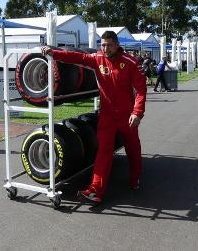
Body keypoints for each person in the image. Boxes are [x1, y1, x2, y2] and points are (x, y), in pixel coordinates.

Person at [41, 31, 146, 204]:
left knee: (133, 148)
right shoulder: (97, 58)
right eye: (103, 45)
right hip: (107, 116)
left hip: (127, 117)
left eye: (109, 45)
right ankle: (95, 190)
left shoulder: (131, 63)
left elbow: (141, 90)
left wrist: (137, 113)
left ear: (117, 44)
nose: (105, 48)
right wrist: (54, 53)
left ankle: (135, 178)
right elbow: (76, 58)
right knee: (103, 151)